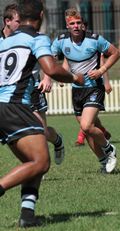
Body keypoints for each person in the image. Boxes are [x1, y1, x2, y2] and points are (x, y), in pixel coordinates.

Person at [0, 0, 84, 228]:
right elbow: (51, 68)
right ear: (40, 15)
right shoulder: (36, 38)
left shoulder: (6, 41)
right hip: (16, 106)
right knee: (41, 162)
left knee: (33, 162)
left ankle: (27, 215)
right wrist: (74, 77)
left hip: (3, 105)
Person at [51, 8, 120, 173]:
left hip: (94, 88)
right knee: (87, 131)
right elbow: (50, 58)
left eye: (78, 23)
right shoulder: (61, 41)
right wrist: (59, 76)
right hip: (76, 91)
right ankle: (103, 161)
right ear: (67, 26)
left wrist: (101, 71)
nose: (75, 26)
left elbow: (115, 53)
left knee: (86, 125)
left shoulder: (95, 40)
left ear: (82, 24)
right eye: (72, 23)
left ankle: (109, 149)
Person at [1, 4, 65, 165]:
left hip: (33, 90)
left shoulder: (34, 38)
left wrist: (47, 78)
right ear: (7, 21)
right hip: (8, 96)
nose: (20, 23)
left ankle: (56, 141)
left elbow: (46, 62)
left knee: (40, 131)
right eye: (17, 20)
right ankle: (34, 165)